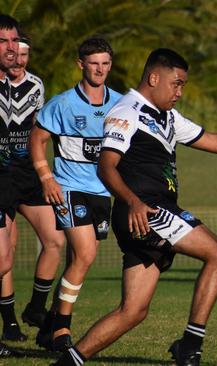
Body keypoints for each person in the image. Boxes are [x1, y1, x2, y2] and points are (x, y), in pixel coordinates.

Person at [51, 47, 217, 366]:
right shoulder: (127, 113)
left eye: (182, 84)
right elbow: (106, 166)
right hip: (146, 211)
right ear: (154, 77)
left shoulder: (166, 117)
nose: (180, 91)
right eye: (176, 83)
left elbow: (212, 141)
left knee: (133, 312)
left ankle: (69, 361)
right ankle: (190, 347)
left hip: (149, 212)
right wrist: (133, 201)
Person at [29, 37, 122, 351]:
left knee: (80, 260)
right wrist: (46, 178)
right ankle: (62, 331)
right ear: (81, 64)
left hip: (101, 193)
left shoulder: (120, 104)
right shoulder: (63, 103)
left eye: (105, 63)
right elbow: (36, 140)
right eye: (94, 63)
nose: (100, 70)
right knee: (85, 255)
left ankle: (47, 324)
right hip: (69, 189)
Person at [2, 36, 67, 341]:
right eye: (15, 53)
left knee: (55, 239)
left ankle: (36, 307)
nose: (20, 59)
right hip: (2, 175)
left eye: (25, 54)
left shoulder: (36, 86)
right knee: (6, 254)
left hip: (28, 174)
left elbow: (38, 131)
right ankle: (9, 322)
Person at [0, 12, 25, 358]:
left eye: (13, 41)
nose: (11, 48)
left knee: (4, 257)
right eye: (3, 41)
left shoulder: (6, 82)